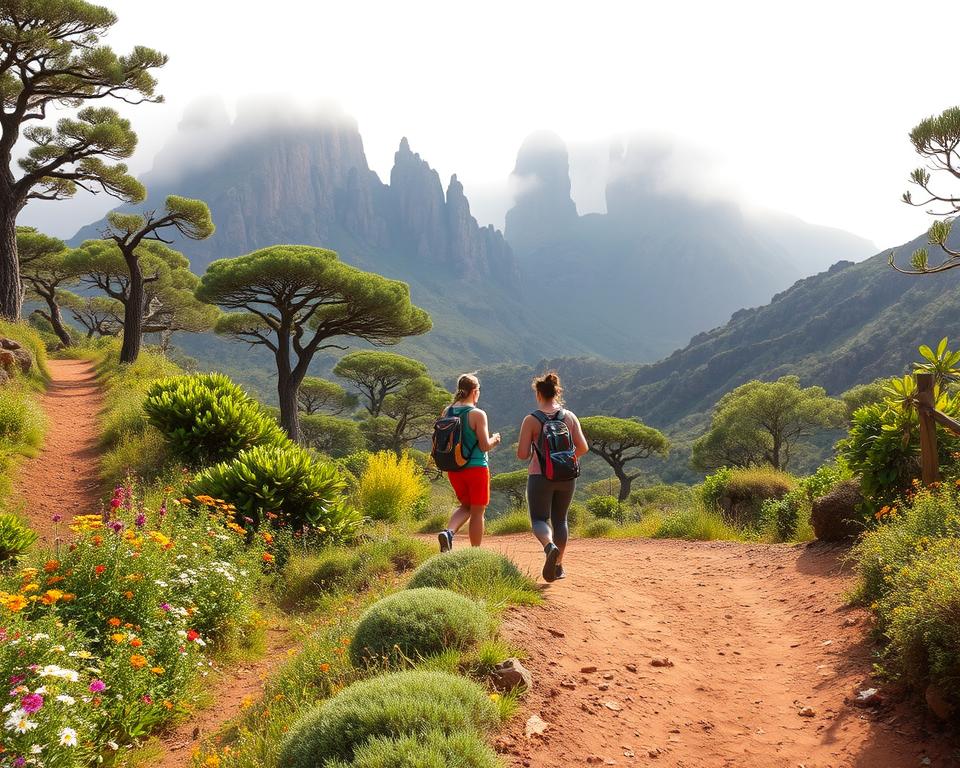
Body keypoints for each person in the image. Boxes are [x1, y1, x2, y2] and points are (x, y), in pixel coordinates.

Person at [516, 372, 589, 582]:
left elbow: (523, 455)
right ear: (557, 392)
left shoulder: (531, 420)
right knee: (561, 520)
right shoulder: (569, 416)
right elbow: (583, 447)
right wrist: (563, 460)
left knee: (539, 519)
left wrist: (542, 457)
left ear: (538, 393)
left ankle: (549, 547)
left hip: (540, 476)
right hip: (567, 476)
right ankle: (558, 567)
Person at [438, 373, 502, 552]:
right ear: (474, 391)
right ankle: (475, 552)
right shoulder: (477, 414)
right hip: (476, 468)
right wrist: (495, 439)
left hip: (454, 468)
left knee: (466, 506)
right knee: (477, 511)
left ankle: (449, 532)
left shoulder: (447, 411)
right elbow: (484, 445)